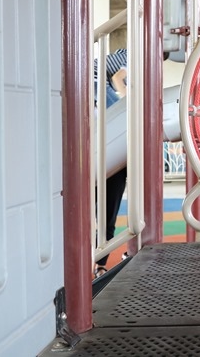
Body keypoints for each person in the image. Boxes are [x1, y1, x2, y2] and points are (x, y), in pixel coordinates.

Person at [93, 48, 129, 277]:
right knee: (104, 215)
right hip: (94, 79)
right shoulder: (134, 55)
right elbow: (117, 78)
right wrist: (127, 98)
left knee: (107, 214)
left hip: (112, 154)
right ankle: (99, 263)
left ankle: (100, 263)